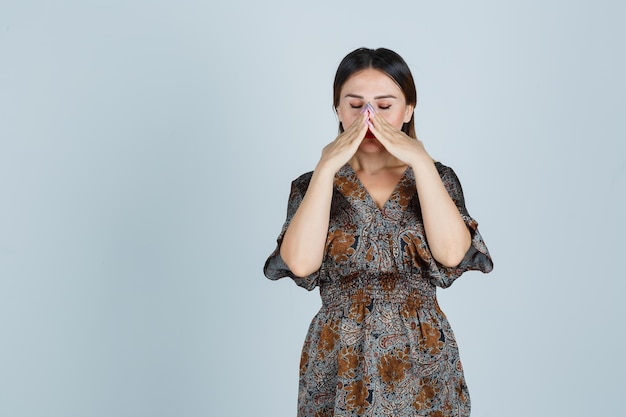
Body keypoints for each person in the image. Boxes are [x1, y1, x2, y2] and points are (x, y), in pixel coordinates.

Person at [264, 47, 493, 417]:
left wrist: (419, 157)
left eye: (384, 106)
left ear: (409, 109)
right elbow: (301, 265)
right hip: (339, 355)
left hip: (422, 355)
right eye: (355, 105)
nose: (368, 118)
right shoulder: (312, 186)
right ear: (337, 109)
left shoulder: (438, 179)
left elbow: (453, 255)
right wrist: (326, 167)